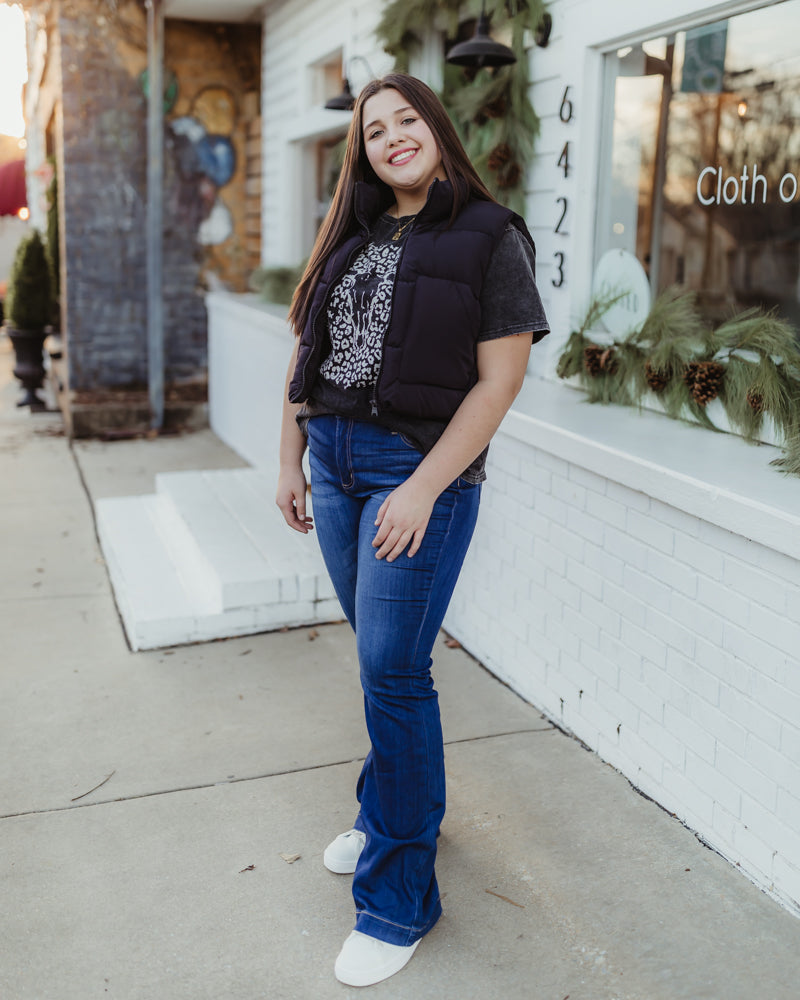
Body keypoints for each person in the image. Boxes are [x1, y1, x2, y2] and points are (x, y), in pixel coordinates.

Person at [276, 72, 549, 987]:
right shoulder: (350, 235)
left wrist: (425, 488)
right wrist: (292, 461)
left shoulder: (488, 233)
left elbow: (498, 384)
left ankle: (399, 900)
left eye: (406, 119)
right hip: (336, 468)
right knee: (379, 663)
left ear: (435, 127)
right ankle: (391, 806)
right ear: (361, 151)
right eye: (374, 129)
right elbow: (304, 358)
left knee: (395, 671)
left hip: (410, 476)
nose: (392, 136)